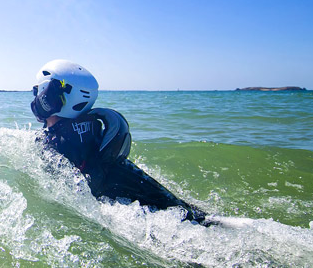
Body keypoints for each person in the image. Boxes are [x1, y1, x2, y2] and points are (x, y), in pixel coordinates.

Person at [31, 59, 208, 224]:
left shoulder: (53, 144)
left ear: (48, 98)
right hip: (158, 204)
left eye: (37, 91)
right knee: (196, 217)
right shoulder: (92, 130)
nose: (35, 97)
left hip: (152, 218)